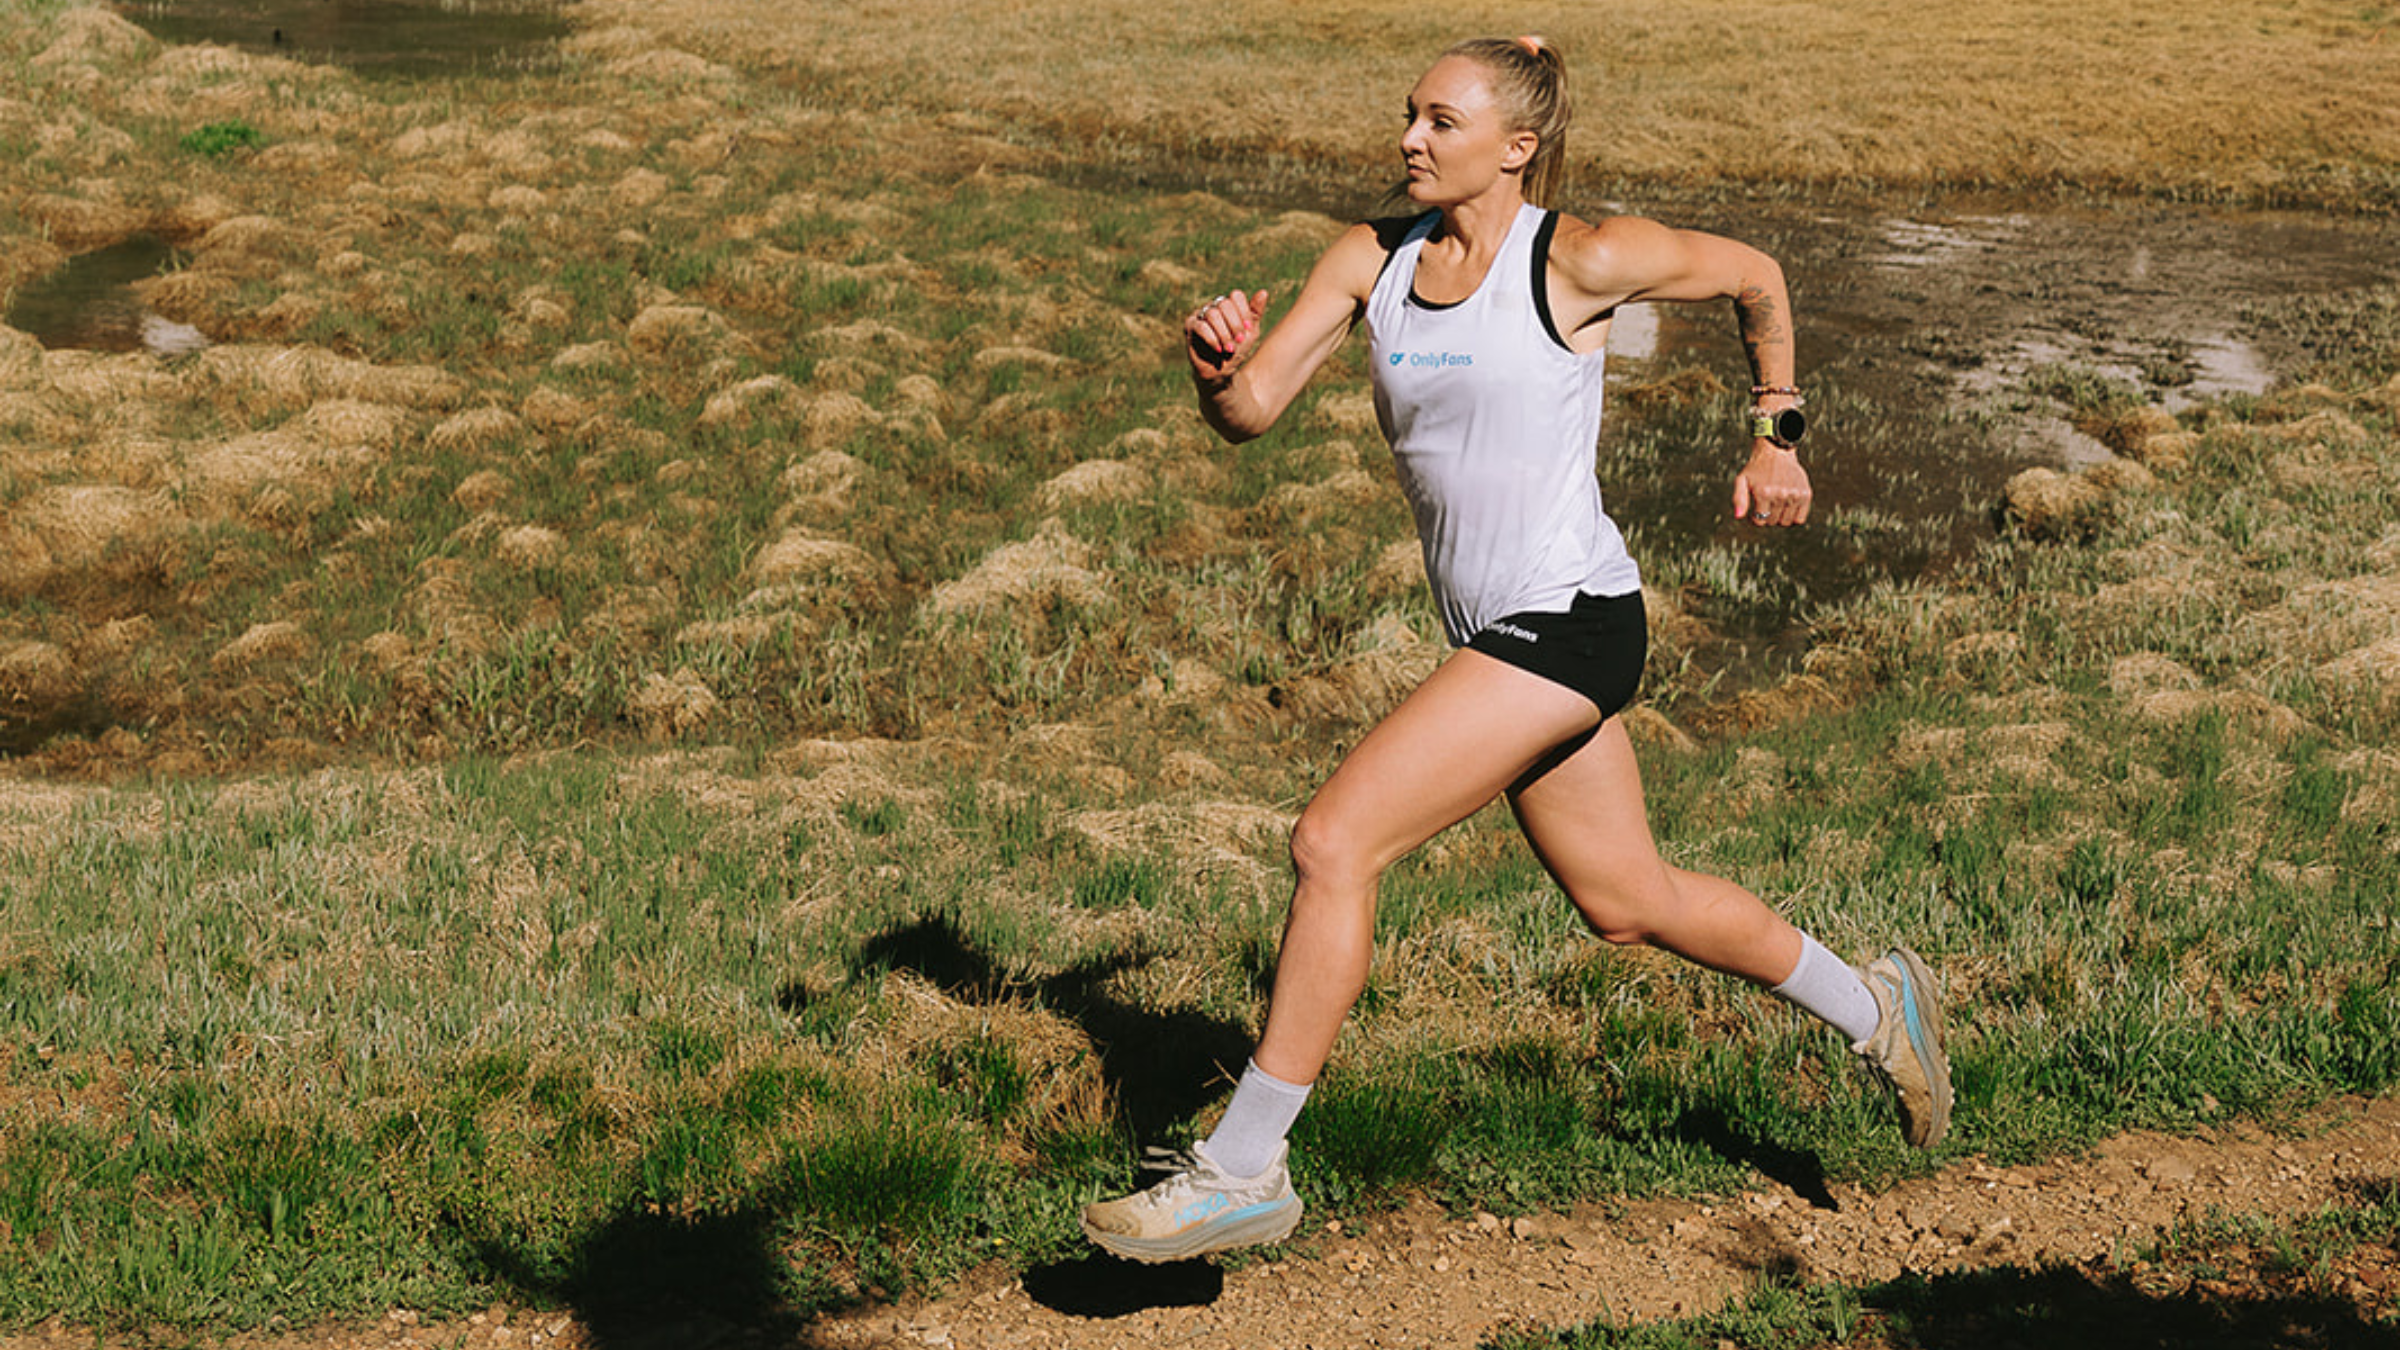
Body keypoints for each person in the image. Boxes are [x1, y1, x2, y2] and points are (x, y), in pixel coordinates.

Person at [1080, 35, 1952, 1265]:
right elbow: (1250, 413)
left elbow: (1756, 274)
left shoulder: (1579, 257)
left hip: (1574, 620)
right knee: (1628, 903)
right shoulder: (1368, 261)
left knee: (1333, 841)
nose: (1410, 140)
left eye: (1441, 120)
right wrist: (1211, 370)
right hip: (1501, 632)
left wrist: (1777, 432)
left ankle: (1243, 1168)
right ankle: (1879, 1007)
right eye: (1408, 116)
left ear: (1517, 145)